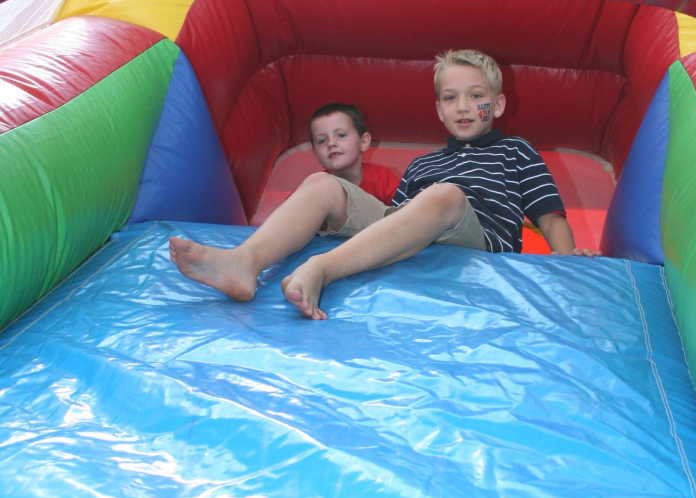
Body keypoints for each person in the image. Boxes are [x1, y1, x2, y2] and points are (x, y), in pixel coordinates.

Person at [170, 49, 590, 320]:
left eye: (475, 96)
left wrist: (568, 262)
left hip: (478, 240)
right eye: (450, 98)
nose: (462, 107)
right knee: (321, 183)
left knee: (444, 195)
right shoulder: (424, 163)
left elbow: (549, 217)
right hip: (419, 226)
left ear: (496, 104)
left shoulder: (516, 151)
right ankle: (245, 261)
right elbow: (398, 221)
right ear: (439, 110)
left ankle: (321, 269)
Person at [307, 102, 399, 205]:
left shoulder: (383, 178)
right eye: (322, 141)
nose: (331, 143)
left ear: (363, 141)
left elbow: (405, 210)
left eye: (341, 135)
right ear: (315, 152)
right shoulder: (315, 187)